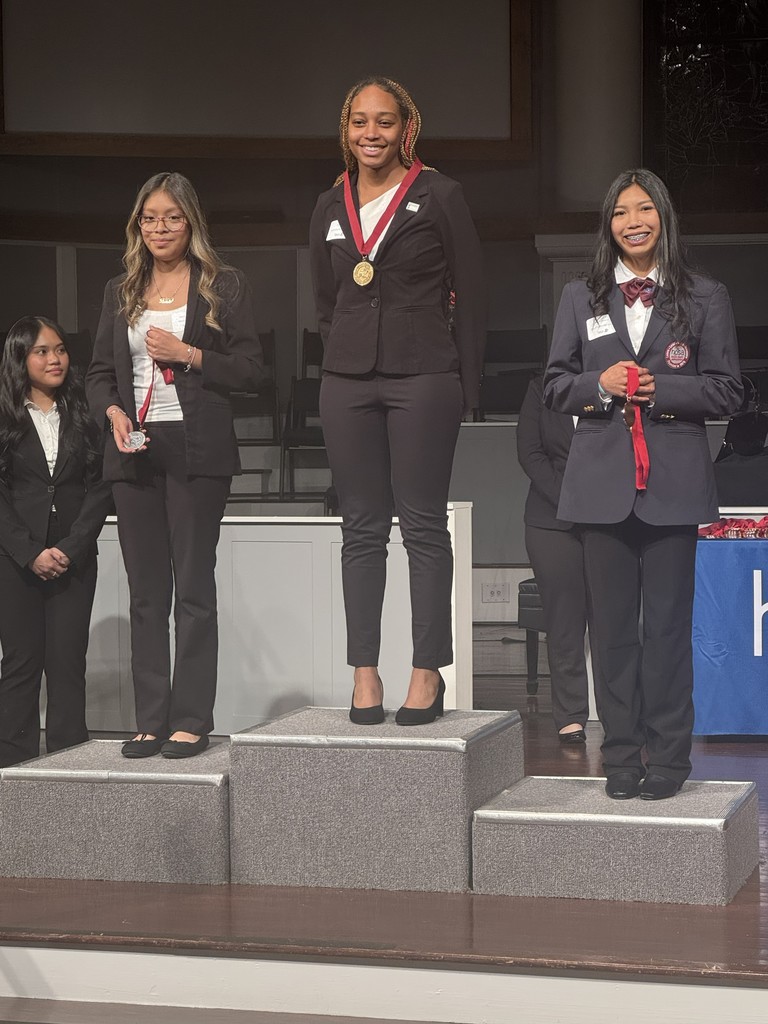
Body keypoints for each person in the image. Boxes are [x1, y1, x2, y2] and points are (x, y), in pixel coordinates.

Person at [544, 168, 742, 799]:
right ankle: (622, 759)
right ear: (608, 225)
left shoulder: (705, 296)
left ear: (663, 218)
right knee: (612, 633)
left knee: (666, 632)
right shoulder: (581, 295)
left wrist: (666, 391)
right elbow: (553, 385)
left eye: (645, 209)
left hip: (673, 486)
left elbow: (729, 390)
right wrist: (595, 387)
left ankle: (669, 763)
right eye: (621, 212)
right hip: (600, 487)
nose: (633, 221)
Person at [309, 76, 485, 726]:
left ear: (406, 128)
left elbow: (471, 289)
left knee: (421, 527)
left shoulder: (440, 195)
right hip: (347, 380)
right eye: (360, 121)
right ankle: (364, 675)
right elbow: (326, 301)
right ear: (347, 129)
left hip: (423, 376)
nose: (371, 133)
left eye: (384, 121)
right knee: (359, 530)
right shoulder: (329, 203)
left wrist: (467, 383)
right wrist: (344, 355)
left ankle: (425, 673)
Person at [86, 172, 263, 759]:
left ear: (191, 223)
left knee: (192, 589)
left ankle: (191, 718)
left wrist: (188, 354)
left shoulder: (221, 286)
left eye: (172, 217)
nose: (160, 228)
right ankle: (150, 718)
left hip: (197, 449)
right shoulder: (121, 289)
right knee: (146, 594)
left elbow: (251, 371)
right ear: (138, 225)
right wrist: (111, 410)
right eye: (150, 218)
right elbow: (97, 375)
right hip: (133, 447)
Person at [0, 316, 112, 767]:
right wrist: (29, 553)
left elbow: (102, 484)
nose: (55, 359)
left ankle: (68, 768)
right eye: (42, 351)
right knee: (21, 664)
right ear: (20, 359)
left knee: (67, 666)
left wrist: (72, 546)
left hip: (74, 558)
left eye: (61, 349)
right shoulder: (5, 414)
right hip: (14, 560)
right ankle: (11, 767)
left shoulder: (85, 409)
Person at [517, 374, 590, 744]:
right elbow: (529, 452)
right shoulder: (540, 386)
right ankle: (571, 715)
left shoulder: (618, 377)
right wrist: (568, 498)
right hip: (551, 518)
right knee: (563, 621)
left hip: (610, 517)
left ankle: (623, 717)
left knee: (616, 623)